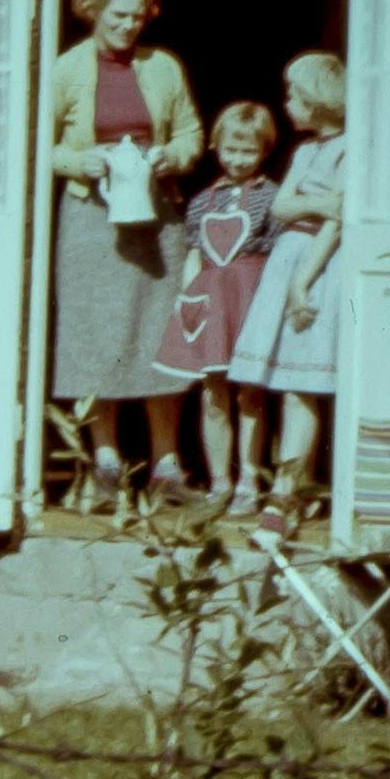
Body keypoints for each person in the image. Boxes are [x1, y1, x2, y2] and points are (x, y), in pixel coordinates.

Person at [43, 0, 202, 499]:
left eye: (138, 16)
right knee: (96, 331)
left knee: (161, 331)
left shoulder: (163, 67)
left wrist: (172, 156)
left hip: (157, 218)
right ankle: (106, 458)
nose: (129, 26)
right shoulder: (65, 69)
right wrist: (76, 161)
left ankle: (166, 464)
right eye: (118, 16)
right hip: (92, 220)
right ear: (94, 11)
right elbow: (35, 142)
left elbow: (189, 131)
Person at [229, 51, 347, 509]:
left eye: (295, 95)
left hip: (318, 263)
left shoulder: (348, 148)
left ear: (317, 100)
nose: (288, 103)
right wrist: (314, 205)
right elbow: (280, 207)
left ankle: (288, 489)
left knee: (301, 382)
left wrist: (302, 283)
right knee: (276, 376)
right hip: (288, 255)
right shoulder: (304, 150)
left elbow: (338, 222)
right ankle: (282, 483)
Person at [152, 100, 280, 500]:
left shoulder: (271, 196)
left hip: (250, 299)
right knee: (212, 393)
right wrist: (187, 300)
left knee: (251, 394)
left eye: (249, 151)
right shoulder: (201, 201)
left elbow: (279, 255)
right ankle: (220, 481)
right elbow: (194, 253)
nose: (238, 160)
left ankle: (249, 480)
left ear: (264, 151)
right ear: (215, 147)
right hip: (213, 305)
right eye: (231, 150)